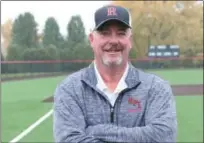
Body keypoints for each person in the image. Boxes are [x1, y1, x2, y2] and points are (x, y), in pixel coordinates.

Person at [53, 4, 177, 143]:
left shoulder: (156, 87)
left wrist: (96, 131)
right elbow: (68, 139)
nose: (113, 41)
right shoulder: (70, 89)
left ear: (130, 40)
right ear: (92, 40)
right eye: (105, 33)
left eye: (121, 33)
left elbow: (163, 137)